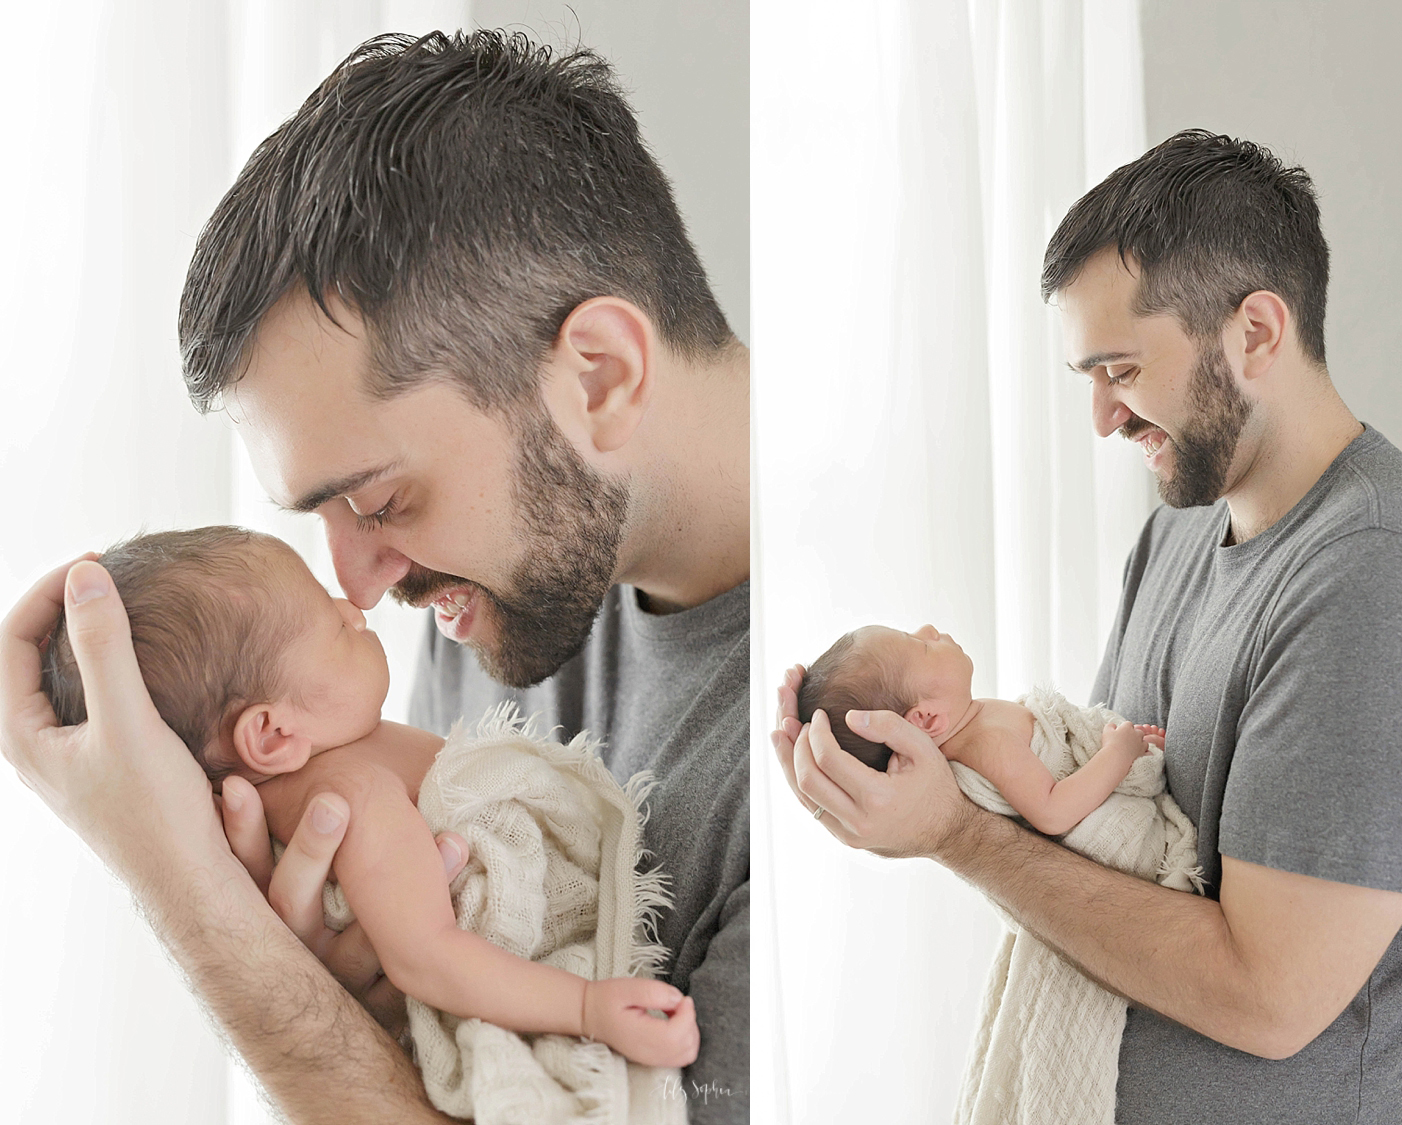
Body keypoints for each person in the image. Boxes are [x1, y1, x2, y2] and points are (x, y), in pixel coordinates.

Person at [3, 30, 748, 1124]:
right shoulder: (496, 613)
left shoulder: (861, 730)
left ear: (597, 377)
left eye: (385, 499)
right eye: (324, 517)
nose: (354, 586)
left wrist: (200, 908)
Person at [775, 130, 1402, 1123]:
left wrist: (956, 834)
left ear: (1254, 333)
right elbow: (1100, 854)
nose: (1102, 419)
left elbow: (1269, 996)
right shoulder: (1174, 542)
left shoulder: (1383, 580)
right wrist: (897, 770)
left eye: (1119, 370)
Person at [40, 526, 700, 1070]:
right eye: (327, 620)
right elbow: (428, 953)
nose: (353, 608)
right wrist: (588, 1008)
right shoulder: (347, 796)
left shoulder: (336, 763)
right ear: (272, 733)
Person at [797, 623, 1163, 836]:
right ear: (926, 719)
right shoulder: (984, 744)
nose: (929, 629)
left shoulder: (972, 724)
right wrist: (1118, 753)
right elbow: (1054, 812)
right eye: (921, 645)